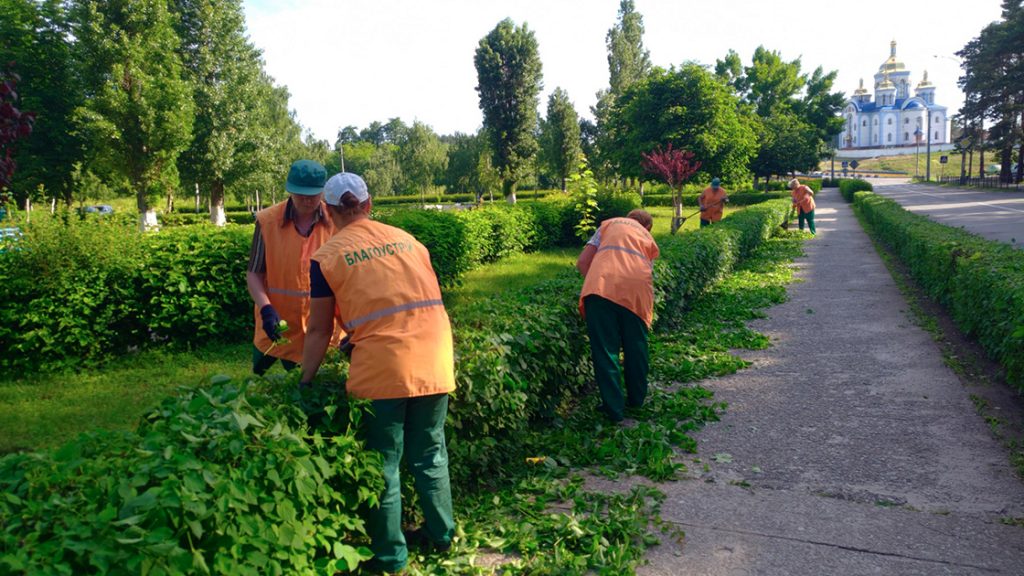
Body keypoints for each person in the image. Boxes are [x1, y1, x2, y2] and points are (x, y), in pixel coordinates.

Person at [301, 172, 456, 574]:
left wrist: (304, 381)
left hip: (383, 368)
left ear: (328, 211)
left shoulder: (328, 256)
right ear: (369, 204)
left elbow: (318, 329)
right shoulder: (410, 241)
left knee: (384, 464)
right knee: (430, 452)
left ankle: (390, 557)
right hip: (436, 355)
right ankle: (442, 537)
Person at [246, 159, 341, 375]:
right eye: (301, 194)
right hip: (276, 322)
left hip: (324, 326)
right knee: (262, 384)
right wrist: (266, 308)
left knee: (316, 388)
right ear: (290, 190)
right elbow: (254, 273)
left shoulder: (336, 222)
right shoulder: (267, 221)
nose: (307, 201)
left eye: (313, 195)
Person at [576, 209, 660, 423]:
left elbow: (583, 262)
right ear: (647, 226)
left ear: (628, 217)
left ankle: (613, 409)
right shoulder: (646, 236)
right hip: (636, 291)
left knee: (606, 349)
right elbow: (649, 271)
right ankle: (636, 400)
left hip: (601, 289)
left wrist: (598, 280)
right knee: (636, 346)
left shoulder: (607, 225)